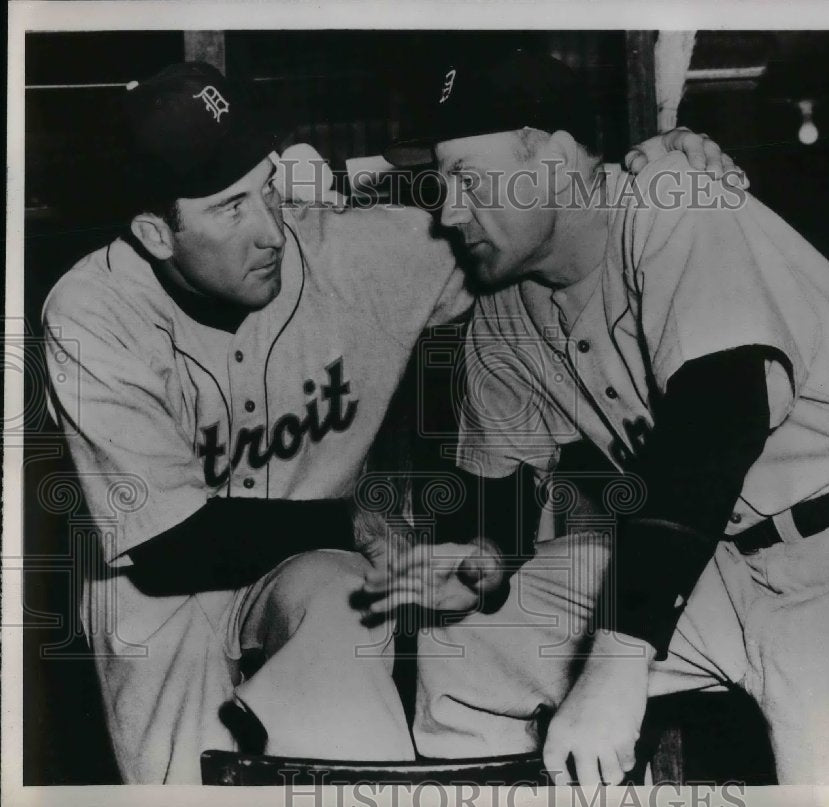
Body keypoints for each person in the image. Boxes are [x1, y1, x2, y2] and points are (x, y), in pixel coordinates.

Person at [41, 59, 732, 783]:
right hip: (162, 591)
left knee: (344, 617)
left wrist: (649, 170)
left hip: (305, 564)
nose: (271, 229)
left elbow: (533, 217)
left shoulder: (361, 254)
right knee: (180, 790)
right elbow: (168, 545)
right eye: (230, 207)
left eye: (268, 189)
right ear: (156, 232)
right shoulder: (92, 313)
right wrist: (352, 523)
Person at [376, 51, 829, 785]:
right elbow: (499, 511)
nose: (448, 209)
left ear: (554, 157)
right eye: (439, 182)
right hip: (721, 559)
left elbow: (720, 416)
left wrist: (619, 659)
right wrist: (471, 565)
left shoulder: (672, 197)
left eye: (467, 177)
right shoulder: (503, 312)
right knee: (478, 633)